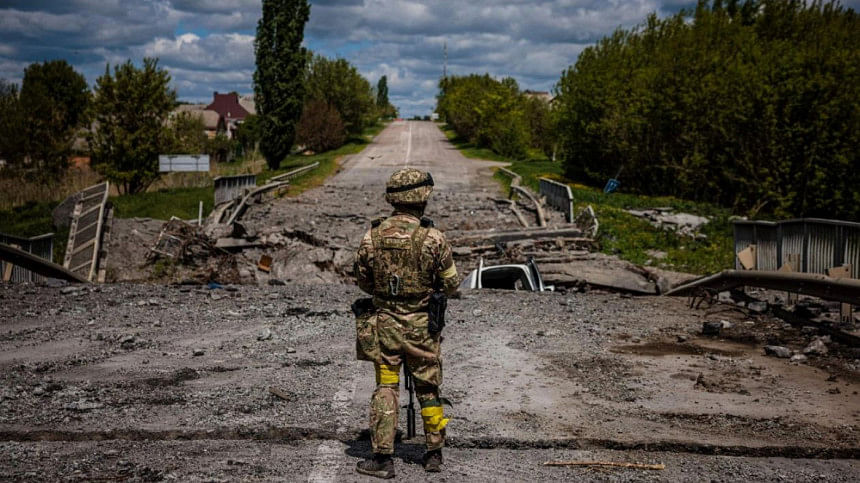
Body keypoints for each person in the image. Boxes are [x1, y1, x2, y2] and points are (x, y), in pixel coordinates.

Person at [353, 168, 459, 479]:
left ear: (393, 198)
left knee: (386, 386)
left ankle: (383, 459)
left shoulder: (372, 235)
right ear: (423, 198)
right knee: (428, 387)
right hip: (422, 329)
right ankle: (433, 453)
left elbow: (363, 281)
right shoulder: (433, 237)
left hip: (385, 326)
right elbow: (451, 284)